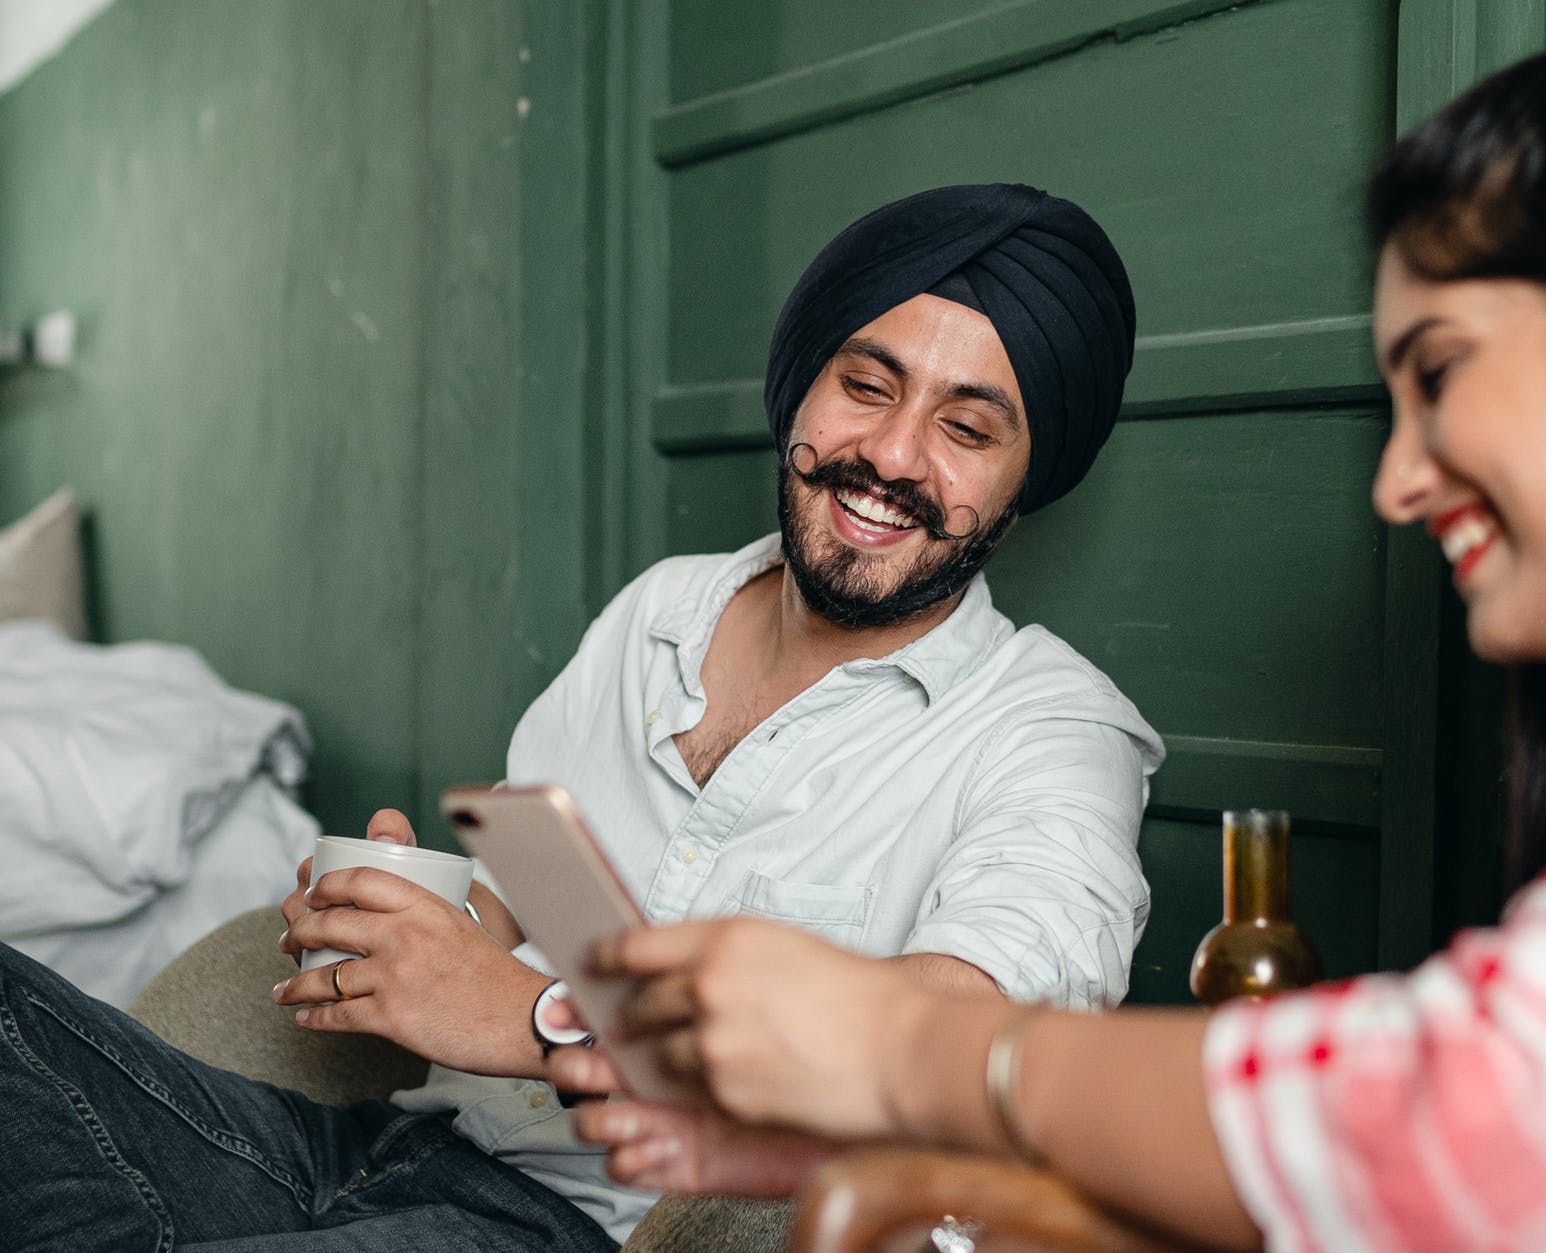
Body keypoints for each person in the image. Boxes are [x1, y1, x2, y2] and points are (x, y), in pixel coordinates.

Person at [548, 28, 1546, 1251]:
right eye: (867, 385)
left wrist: (904, 1049)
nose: (1398, 480)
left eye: (1439, 374)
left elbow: (1495, 1116)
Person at [0, 183, 1162, 1251]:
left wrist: (538, 1026)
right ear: (803, 383)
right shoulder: (663, 607)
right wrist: (415, 919)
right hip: (386, 1149)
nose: (890, 455)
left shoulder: (1053, 735)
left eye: (967, 428)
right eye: (865, 384)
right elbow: (542, 897)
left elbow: (958, 1037)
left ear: (1021, 483)